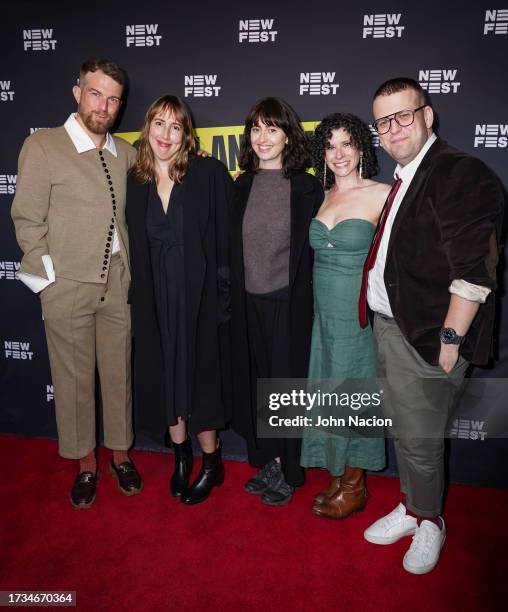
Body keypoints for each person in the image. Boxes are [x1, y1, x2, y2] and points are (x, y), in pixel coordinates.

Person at [360, 78, 504, 574]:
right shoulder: (406, 176)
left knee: (420, 440)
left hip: (426, 337)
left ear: (428, 115)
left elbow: (474, 270)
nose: (393, 128)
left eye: (404, 115)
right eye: (383, 121)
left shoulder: (460, 172)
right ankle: (412, 506)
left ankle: (429, 522)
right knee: (408, 433)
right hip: (390, 327)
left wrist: (449, 342)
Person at [11, 58, 142, 509]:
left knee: (118, 374)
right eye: (95, 93)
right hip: (67, 285)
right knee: (73, 381)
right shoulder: (43, 146)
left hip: (117, 284)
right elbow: (26, 219)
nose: (103, 105)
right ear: (77, 92)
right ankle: (86, 462)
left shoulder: (125, 152)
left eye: (112, 98)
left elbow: (163, 171)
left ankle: (121, 454)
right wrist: (47, 283)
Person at [126, 95, 233, 505]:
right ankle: (181, 458)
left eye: (175, 127)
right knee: (168, 378)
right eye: (159, 124)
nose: (166, 135)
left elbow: (224, 242)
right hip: (156, 300)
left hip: (199, 299)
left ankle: (211, 461)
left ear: (187, 134)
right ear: (147, 128)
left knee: (200, 378)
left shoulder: (208, 172)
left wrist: (222, 298)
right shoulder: (136, 182)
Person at [230, 97, 324, 506]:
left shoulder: (306, 186)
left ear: (288, 135)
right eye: (256, 129)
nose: (263, 138)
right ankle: (268, 460)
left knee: (286, 389)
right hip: (247, 303)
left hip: (289, 304)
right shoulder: (241, 184)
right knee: (259, 385)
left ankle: (290, 469)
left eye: (272, 128)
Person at [300, 113, 390, 518]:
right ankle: (338, 474)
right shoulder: (322, 194)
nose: (339, 154)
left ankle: (355, 485)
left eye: (347, 144)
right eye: (331, 145)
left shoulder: (382, 194)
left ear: (361, 149)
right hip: (323, 319)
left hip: (357, 319)